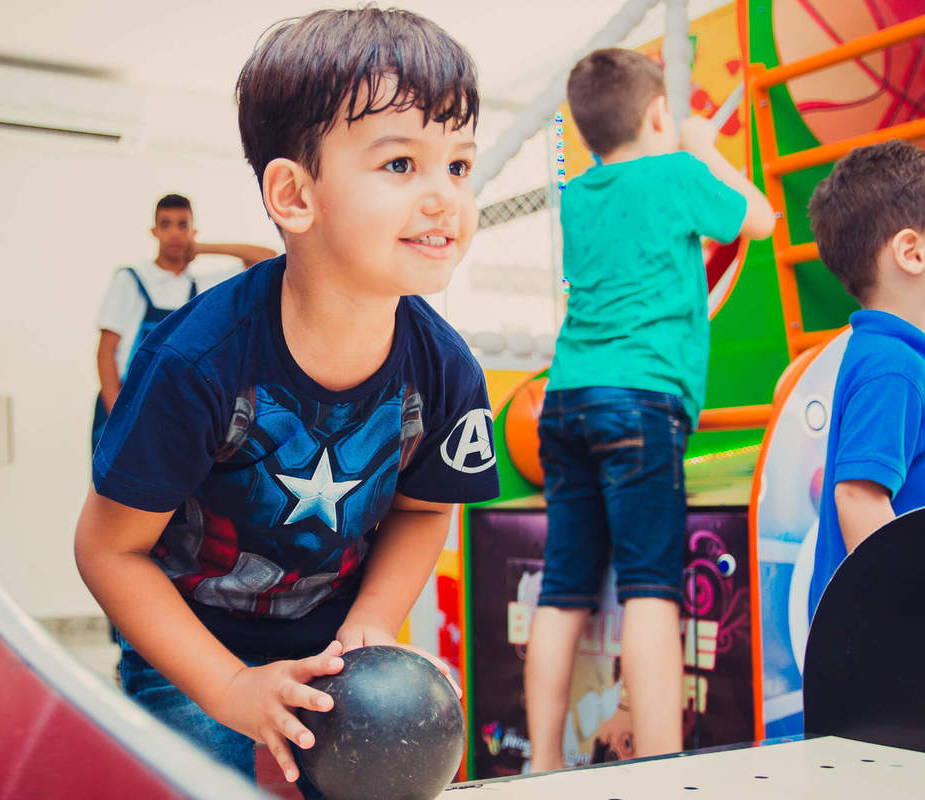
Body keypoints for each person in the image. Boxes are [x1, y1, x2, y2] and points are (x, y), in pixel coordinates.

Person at [75, 7, 498, 793]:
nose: (445, 196)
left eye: (459, 165)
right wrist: (232, 688)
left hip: (330, 637)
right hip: (191, 640)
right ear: (294, 195)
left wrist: (370, 625)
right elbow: (109, 551)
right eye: (401, 163)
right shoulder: (194, 363)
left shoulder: (446, 370)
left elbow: (422, 511)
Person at [524, 48, 775, 770]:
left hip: (565, 401)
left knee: (562, 590)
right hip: (639, 402)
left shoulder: (579, 195)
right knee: (651, 590)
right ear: (661, 114)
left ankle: (543, 763)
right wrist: (706, 148)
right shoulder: (678, 172)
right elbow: (758, 219)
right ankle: (661, 767)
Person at [805, 140, 925, 617]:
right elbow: (858, 497)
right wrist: (906, 612)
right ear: (912, 252)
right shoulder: (893, 366)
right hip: (882, 637)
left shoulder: (887, 355)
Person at [92, 193, 276, 452]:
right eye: (166, 224)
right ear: (154, 231)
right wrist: (120, 420)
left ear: (193, 232)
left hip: (176, 412)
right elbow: (105, 353)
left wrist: (200, 248)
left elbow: (267, 259)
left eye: (182, 225)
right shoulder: (130, 280)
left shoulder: (202, 287)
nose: (174, 233)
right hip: (125, 407)